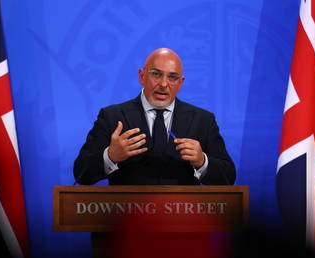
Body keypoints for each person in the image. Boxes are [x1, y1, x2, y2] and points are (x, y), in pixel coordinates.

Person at [74, 48, 236, 186]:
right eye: (156, 74)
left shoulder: (203, 120)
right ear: (142, 76)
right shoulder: (112, 117)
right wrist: (110, 156)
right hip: (127, 217)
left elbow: (228, 177)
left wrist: (202, 161)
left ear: (180, 83)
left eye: (172, 77)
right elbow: (81, 173)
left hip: (184, 217)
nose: (164, 84)